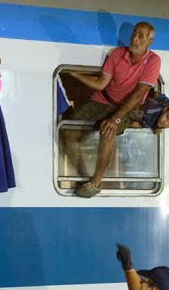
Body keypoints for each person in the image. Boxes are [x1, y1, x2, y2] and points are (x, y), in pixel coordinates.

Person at [64, 22, 160, 198]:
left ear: (150, 41)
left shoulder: (153, 61)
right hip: (103, 100)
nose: (135, 38)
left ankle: (95, 183)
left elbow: (139, 94)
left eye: (140, 36)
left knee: (108, 131)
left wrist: (116, 118)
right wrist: (76, 75)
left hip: (126, 107)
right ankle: (82, 175)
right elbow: (101, 83)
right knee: (69, 130)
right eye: (134, 34)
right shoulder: (116, 54)